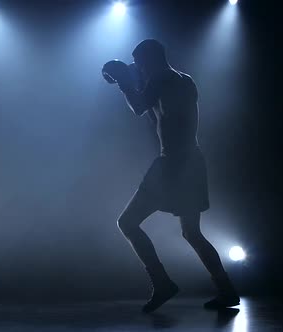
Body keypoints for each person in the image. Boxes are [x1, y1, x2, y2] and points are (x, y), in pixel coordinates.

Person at [102, 39, 240, 313]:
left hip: (172, 163)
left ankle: (162, 282)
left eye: (139, 63)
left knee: (127, 223)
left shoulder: (160, 79)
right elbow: (156, 110)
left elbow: (140, 106)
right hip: (192, 162)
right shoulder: (182, 79)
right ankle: (227, 290)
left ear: (148, 60)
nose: (138, 68)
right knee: (192, 233)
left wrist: (123, 81)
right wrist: (130, 78)